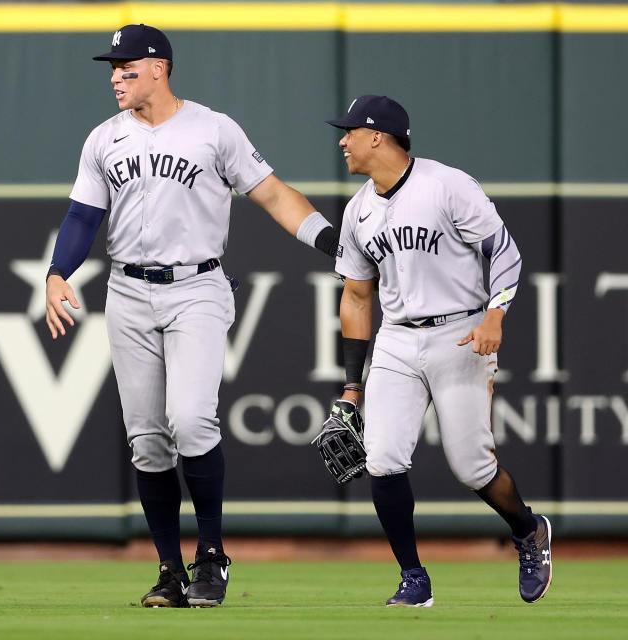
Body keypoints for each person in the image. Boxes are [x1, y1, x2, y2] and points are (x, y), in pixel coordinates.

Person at [45, 24, 339, 608]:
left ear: (159, 68)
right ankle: (168, 570)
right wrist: (58, 272)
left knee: (191, 421)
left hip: (196, 287)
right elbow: (82, 217)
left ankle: (210, 554)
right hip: (127, 292)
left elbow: (274, 194)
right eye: (113, 67)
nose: (115, 76)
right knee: (148, 442)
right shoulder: (104, 138)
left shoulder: (212, 129)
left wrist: (333, 242)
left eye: (126, 67)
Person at [326, 94, 552, 606]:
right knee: (382, 459)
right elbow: (357, 296)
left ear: (378, 136)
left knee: (471, 465)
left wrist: (495, 314)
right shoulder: (359, 208)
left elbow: (505, 252)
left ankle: (528, 529)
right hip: (397, 339)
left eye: (350, 132)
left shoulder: (446, 185)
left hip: (461, 330)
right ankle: (413, 578)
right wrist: (351, 385)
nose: (343, 141)